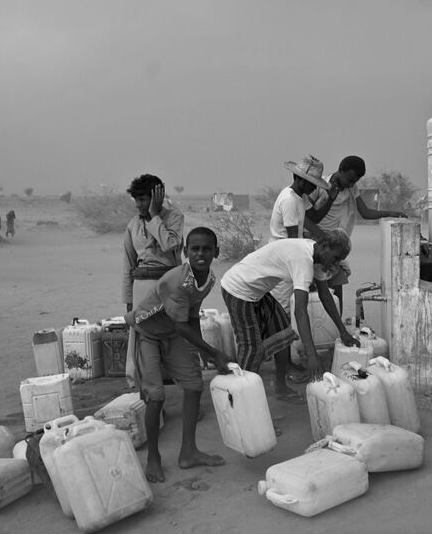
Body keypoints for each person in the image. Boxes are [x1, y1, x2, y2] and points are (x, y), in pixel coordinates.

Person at [125, 227, 231, 483]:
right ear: (185, 252)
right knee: (156, 395)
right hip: (148, 333)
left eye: (207, 249)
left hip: (171, 333)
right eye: (195, 249)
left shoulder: (208, 279)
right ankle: (153, 457)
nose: (201, 254)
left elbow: (192, 316)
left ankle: (189, 452)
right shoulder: (177, 281)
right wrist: (215, 352)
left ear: (216, 252)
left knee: (194, 384)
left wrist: (201, 351)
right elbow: (183, 325)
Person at [219, 229, 360, 404]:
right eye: (336, 257)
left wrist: (343, 331)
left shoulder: (318, 256)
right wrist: (311, 354)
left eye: (340, 260)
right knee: (251, 350)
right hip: (238, 289)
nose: (337, 263)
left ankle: (280, 388)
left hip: (258, 291)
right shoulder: (303, 259)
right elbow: (300, 311)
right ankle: (244, 403)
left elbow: (325, 295)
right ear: (324, 246)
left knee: (283, 332)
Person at [305, 155, 408, 311]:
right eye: (349, 179)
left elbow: (365, 212)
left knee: (337, 287)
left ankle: (336, 327)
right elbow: (305, 217)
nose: (351, 184)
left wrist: (389, 213)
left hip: (336, 244)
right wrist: (321, 235)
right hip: (317, 243)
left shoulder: (351, 189)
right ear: (340, 170)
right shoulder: (321, 186)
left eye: (354, 181)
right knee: (316, 289)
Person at [122, 175, 184, 388]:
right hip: (142, 284)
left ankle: (176, 378)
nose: (139, 205)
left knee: (173, 330)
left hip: (169, 282)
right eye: (136, 200)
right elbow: (128, 266)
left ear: (157, 197)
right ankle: (137, 382)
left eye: (143, 199)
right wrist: (128, 299)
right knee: (140, 333)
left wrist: (154, 215)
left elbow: (169, 244)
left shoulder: (174, 217)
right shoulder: (132, 226)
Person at [267, 155, 330, 316]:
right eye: (311, 184)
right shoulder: (289, 200)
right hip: (283, 259)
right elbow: (293, 241)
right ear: (299, 179)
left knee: (288, 306)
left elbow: (311, 220)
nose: (314, 189)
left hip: (288, 257)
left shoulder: (300, 197)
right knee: (282, 308)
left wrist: (323, 237)